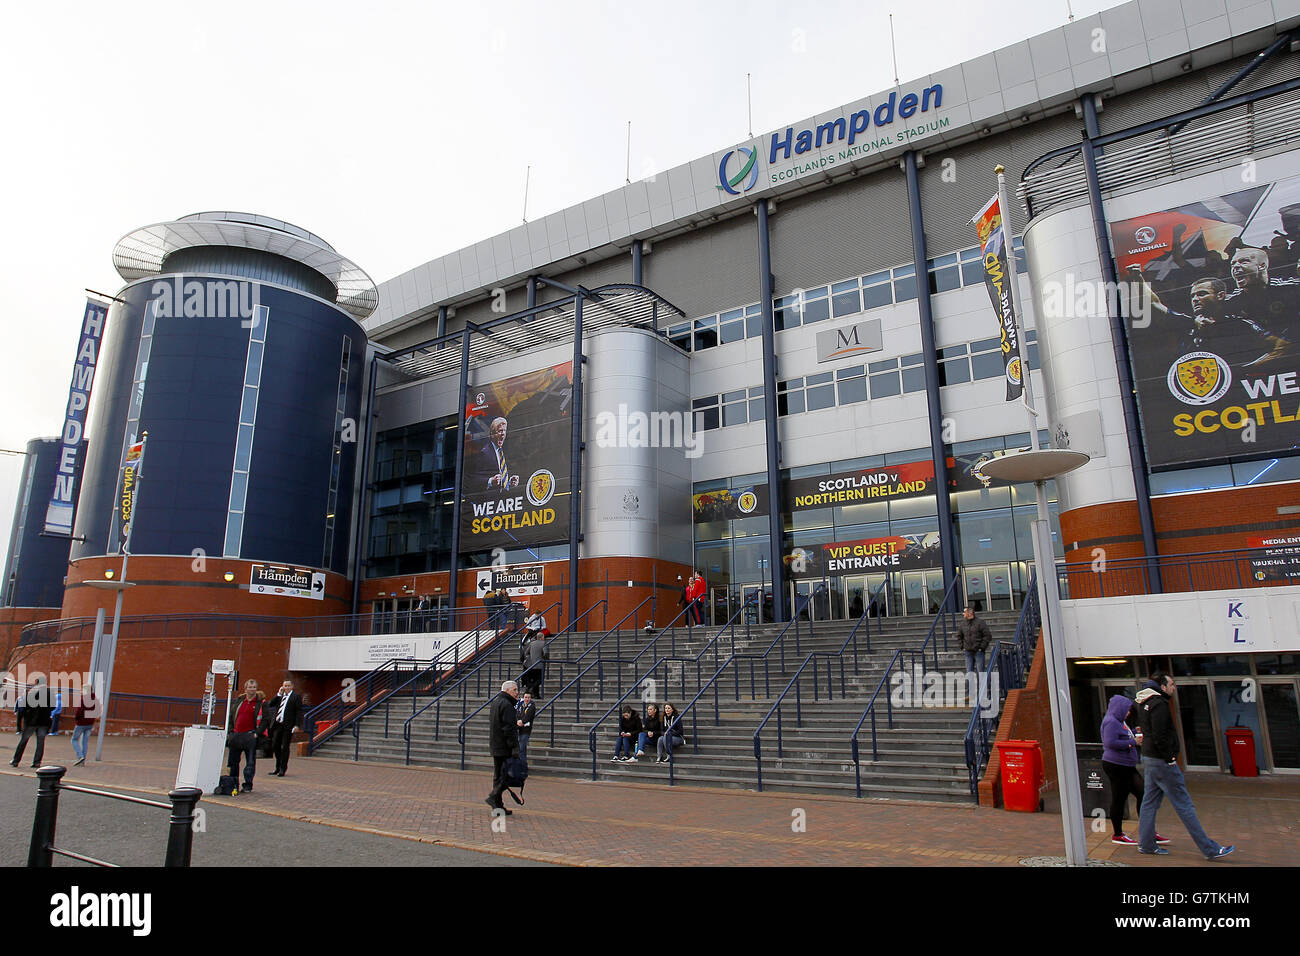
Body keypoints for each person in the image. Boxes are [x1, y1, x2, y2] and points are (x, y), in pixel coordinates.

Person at [1134, 673, 1234, 860]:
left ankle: (1146, 844)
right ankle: (1209, 849)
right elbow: (1160, 734)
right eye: (1171, 684)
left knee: (1149, 802)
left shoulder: (1143, 703)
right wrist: (1170, 757)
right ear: (1162, 687)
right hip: (1162, 761)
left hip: (1149, 758)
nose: (1174, 687)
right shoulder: (1159, 704)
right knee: (1184, 804)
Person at [1100, 694, 1167, 847]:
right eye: (1126, 710)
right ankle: (1118, 834)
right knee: (1120, 797)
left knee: (1142, 793)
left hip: (1127, 765)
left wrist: (1133, 731)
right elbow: (1110, 742)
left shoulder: (1120, 721)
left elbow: (1122, 735)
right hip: (1117, 765)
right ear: (1119, 708)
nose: (1128, 713)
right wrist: (1133, 742)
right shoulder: (1111, 721)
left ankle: (1148, 830)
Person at [225, 679, 267, 793]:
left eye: (254, 687)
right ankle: (233, 783)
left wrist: (256, 734)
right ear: (245, 688)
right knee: (232, 762)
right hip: (236, 735)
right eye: (250, 687)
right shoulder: (239, 701)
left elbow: (265, 720)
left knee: (250, 762)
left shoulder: (261, 703)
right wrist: (230, 732)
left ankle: (248, 784)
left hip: (250, 736)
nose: (252, 689)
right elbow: (231, 716)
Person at [486, 680, 520, 814]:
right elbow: (509, 728)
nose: (517, 693)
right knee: (507, 776)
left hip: (496, 744)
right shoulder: (507, 705)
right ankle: (493, 797)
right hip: (504, 746)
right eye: (515, 690)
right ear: (507, 691)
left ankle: (498, 806)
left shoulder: (496, 702)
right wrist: (514, 747)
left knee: (499, 775)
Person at [10, 677, 53, 768]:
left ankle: (16, 760)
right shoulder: (50, 693)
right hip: (44, 721)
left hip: (31, 721)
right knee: (40, 742)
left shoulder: (32, 692)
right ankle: (37, 762)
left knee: (23, 741)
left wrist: (25, 716)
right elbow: (53, 707)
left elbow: (25, 707)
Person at [264, 679, 303, 777]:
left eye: (288, 685)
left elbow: (299, 712)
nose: (286, 687)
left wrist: (297, 725)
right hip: (277, 725)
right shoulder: (280, 696)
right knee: (275, 746)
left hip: (288, 726)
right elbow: (270, 704)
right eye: (285, 686)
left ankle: (283, 768)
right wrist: (278, 694)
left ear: (292, 686)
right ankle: (277, 767)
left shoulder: (296, 697)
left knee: (285, 747)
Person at [475, 417, 519, 491]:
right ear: (492, 434)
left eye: (504, 430)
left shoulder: (505, 451)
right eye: (500, 431)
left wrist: (509, 483)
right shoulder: (484, 453)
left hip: (503, 499)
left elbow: (501, 477)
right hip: (488, 499)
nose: (503, 434)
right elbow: (474, 479)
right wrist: (491, 481)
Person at [955, 605, 992, 674]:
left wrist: (982, 647)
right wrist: (962, 647)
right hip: (968, 651)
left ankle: (983, 685)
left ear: (970, 613)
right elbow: (959, 636)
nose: (963, 614)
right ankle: (970, 685)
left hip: (979, 651)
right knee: (969, 672)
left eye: (965, 612)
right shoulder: (963, 624)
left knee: (981, 671)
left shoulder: (980, 622)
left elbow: (987, 635)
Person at [71, 688, 97, 766]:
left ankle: (80, 756)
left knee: (74, 740)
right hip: (90, 723)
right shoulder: (94, 700)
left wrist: (76, 718)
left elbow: (79, 711)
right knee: (85, 742)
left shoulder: (83, 700)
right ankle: (83, 761)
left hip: (81, 723)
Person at [521, 632, 548, 698]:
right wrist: (544, 659)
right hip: (540, 664)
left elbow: (526, 652)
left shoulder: (532, 643)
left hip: (531, 665)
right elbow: (546, 653)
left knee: (534, 679)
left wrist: (530, 659)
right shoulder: (543, 643)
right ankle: (532, 688)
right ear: (542, 637)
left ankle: (536, 694)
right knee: (539, 679)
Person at [515, 692, 535, 764]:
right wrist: (518, 721)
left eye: (528, 697)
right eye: (525, 697)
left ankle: (522, 766)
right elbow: (518, 715)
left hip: (526, 730)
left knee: (521, 748)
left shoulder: (532, 706)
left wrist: (521, 721)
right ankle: (522, 764)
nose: (527, 699)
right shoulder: (521, 706)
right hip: (519, 729)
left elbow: (528, 717)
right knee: (522, 748)